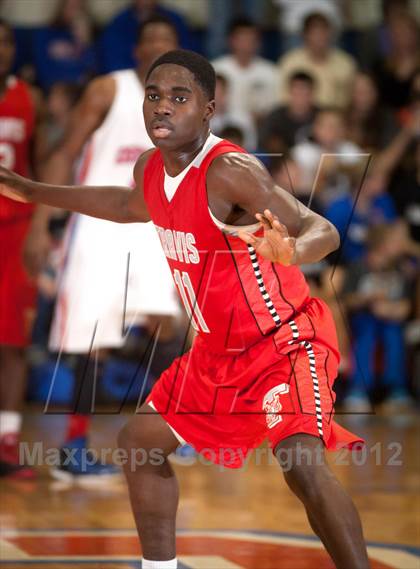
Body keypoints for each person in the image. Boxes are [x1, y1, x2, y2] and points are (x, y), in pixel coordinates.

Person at [0, 49, 369, 569]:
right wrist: (30, 190)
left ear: (208, 109)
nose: (163, 108)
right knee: (140, 445)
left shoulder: (230, 171)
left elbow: (323, 229)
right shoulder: (151, 167)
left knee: (301, 464)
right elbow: (125, 205)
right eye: (154, 95)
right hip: (216, 355)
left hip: (283, 342)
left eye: (179, 97)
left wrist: (293, 250)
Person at [25, 16, 180, 481]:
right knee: (91, 338)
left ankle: (169, 433)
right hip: (98, 224)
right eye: (149, 41)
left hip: (152, 226)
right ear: (135, 51)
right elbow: (64, 151)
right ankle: (74, 447)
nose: (157, 48)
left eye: (166, 43)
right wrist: (39, 221)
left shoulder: (181, 103)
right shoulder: (107, 90)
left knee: (170, 326)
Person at [0, 20, 43, 479]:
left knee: (12, 339)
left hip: (14, 229)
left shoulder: (29, 99)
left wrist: (40, 228)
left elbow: (40, 161)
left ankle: (8, 442)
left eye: (8, 41)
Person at [342, 222, 415, 412]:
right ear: (382, 246)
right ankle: (358, 389)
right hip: (364, 317)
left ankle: (396, 389)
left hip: (390, 318)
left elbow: (406, 304)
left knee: (394, 336)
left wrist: (391, 309)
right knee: (366, 335)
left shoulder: (400, 270)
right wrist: (367, 299)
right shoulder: (358, 267)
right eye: (395, 242)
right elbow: (347, 300)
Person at [277, 12, 357, 109]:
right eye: (315, 33)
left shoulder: (345, 63)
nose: (320, 37)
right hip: (301, 118)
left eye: (324, 32)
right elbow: (283, 100)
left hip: (337, 117)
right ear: (305, 35)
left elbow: (352, 99)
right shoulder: (290, 62)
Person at [212, 17, 278, 121]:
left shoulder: (270, 72)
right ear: (231, 40)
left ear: (258, 42)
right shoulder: (216, 69)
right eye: (242, 39)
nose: (246, 44)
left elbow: (275, 108)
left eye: (251, 39)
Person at [259, 71, 318, 153]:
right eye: (297, 92)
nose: (300, 97)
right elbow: (264, 142)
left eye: (305, 92)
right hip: (283, 160)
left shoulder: (321, 116)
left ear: (312, 93)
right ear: (289, 92)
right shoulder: (276, 117)